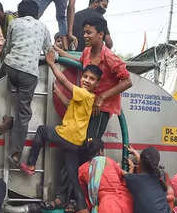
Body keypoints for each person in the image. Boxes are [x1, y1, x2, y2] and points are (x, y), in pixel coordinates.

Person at [20, 53, 102, 213]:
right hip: (75, 142)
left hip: (68, 135)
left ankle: (30, 164)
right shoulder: (85, 97)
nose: (86, 80)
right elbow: (68, 105)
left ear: (96, 84)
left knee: (42, 130)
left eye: (91, 79)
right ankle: (82, 206)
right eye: (85, 76)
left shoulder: (86, 94)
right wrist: (58, 93)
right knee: (72, 175)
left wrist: (51, 64)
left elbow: (65, 82)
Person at [57, 15, 132, 145]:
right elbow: (77, 61)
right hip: (87, 105)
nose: (85, 36)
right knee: (81, 143)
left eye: (89, 32)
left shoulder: (110, 57)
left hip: (101, 109)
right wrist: (58, 52)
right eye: (84, 32)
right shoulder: (87, 51)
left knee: (91, 145)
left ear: (100, 34)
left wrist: (102, 97)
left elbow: (127, 81)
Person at [4, 0, 53, 166]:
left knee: (10, 92)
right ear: (37, 13)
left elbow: (8, 47)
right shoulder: (43, 27)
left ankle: (8, 105)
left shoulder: (14, 23)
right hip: (29, 74)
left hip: (10, 67)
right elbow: (49, 51)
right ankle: (16, 153)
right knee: (23, 113)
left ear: (20, 12)